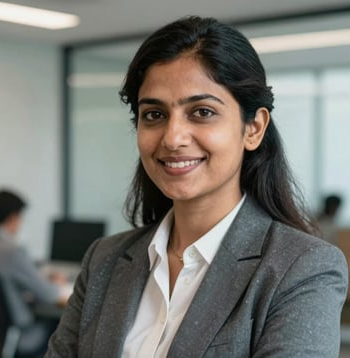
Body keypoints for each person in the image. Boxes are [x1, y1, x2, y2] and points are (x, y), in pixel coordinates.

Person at [45, 16, 348, 357]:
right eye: (154, 115)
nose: (173, 138)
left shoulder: (302, 267)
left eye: (202, 112)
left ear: (254, 128)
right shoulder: (104, 260)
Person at [0, 189, 69, 357]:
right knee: (61, 324)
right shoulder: (11, 252)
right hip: (18, 336)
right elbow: (49, 295)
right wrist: (57, 284)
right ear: (13, 218)